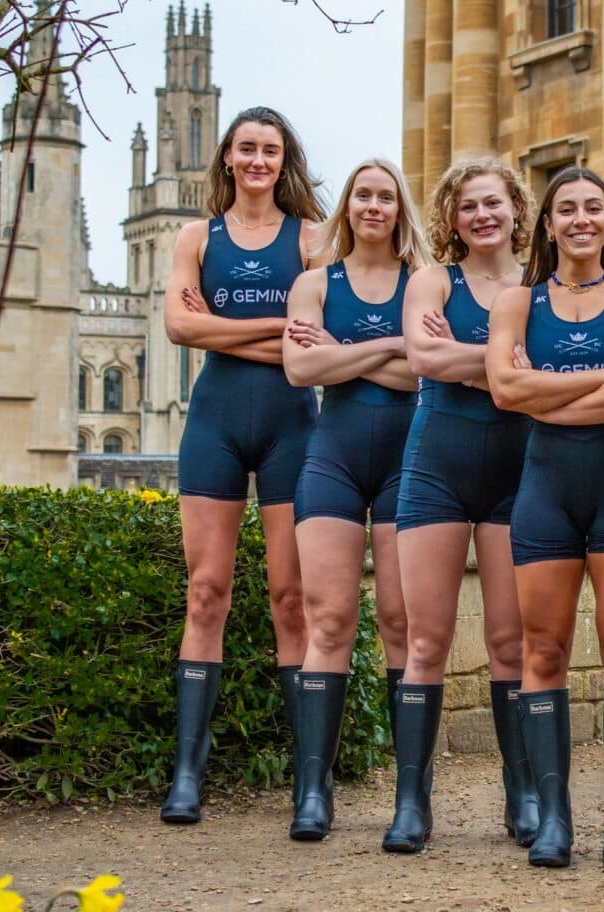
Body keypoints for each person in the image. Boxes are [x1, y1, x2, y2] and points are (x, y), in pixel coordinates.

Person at [160, 106, 323, 825]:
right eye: (246, 149)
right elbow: (178, 326)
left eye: (270, 150)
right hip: (215, 425)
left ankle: (308, 783)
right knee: (207, 593)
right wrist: (275, 329)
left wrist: (222, 332)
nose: (258, 160)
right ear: (227, 158)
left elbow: (317, 343)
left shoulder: (312, 240)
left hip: (293, 427)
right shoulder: (196, 237)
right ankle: (186, 779)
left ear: (283, 161)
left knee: (293, 600)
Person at [484, 167, 604, 868]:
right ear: (546, 225)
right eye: (566, 210)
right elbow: (501, 388)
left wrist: (542, 393)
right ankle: (553, 817)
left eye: (594, 209)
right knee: (541, 651)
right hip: (544, 490)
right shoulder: (516, 304)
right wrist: (602, 384)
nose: (581, 219)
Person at [382, 158, 538, 854]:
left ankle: (523, 792)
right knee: (425, 641)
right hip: (436, 469)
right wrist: (508, 365)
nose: (481, 216)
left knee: (512, 641)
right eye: (468, 206)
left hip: (518, 471)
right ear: (452, 218)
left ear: (515, 211)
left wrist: (470, 357)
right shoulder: (431, 281)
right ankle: (412, 800)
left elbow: (541, 372)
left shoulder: (538, 286)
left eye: (493, 204)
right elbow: (424, 359)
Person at [279, 159, 428, 841]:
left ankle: (410, 798)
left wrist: (349, 348)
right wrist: (391, 346)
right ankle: (313, 793)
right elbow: (300, 367)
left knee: (403, 625)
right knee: (329, 622)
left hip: (409, 464)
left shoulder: (421, 283)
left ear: (400, 209)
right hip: (330, 461)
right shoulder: (314, 283)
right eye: (363, 195)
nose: (373, 205)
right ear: (348, 206)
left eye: (385, 196)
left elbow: (422, 372)